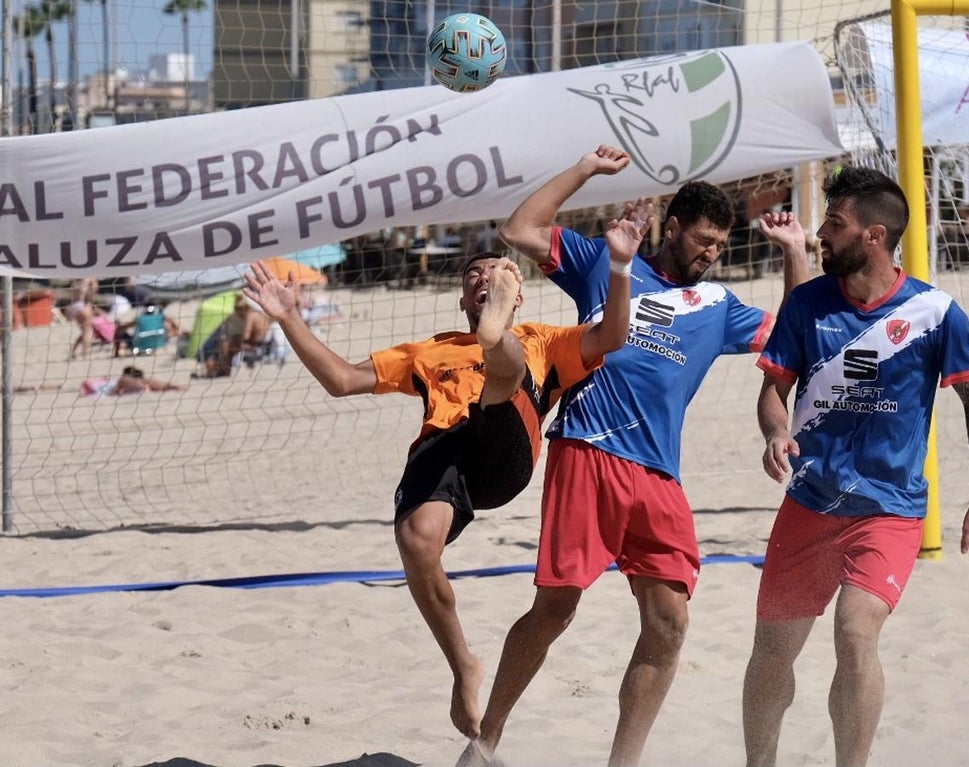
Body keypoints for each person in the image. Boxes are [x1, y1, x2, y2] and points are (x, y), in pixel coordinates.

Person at [463, 145, 809, 767]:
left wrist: (794, 253)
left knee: (670, 623)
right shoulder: (605, 263)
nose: (710, 253)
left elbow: (798, 334)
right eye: (702, 240)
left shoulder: (719, 307)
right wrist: (586, 171)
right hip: (588, 453)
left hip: (658, 474)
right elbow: (519, 230)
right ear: (669, 228)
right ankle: (485, 741)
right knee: (555, 609)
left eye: (720, 246)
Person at [241, 214, 643, 740]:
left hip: (507, 447)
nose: (484, 278)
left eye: (500, 274)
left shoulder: (547, 338)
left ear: (518, 296)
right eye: (474, 277)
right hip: (448, 446)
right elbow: (341, 380)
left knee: (507, 366)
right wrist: (289, 317)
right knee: (416, 540)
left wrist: (619, 263)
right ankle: (464, 666)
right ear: (461, 301)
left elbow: (614, 333)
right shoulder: (430, 352)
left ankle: (495, 340)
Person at [742, 166, 969, 767]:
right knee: (772, 654)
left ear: (875, 236)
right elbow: (773, 388)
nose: (823, 236)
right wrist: (777, 431)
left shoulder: (936, 314)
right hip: (809, 504)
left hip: (888, 510)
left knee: (855, 634)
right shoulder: (807, 304)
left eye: (835, 225)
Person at [198, 295, 271, 378]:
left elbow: (246, 337)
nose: (238, 312)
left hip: (255, 346)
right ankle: (222, 368)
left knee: (225, 344)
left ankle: (225, 370)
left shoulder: (250, 315)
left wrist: (236, 337)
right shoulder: (259, 314)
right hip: (262, 345)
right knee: (227, 343)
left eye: (239, 309)